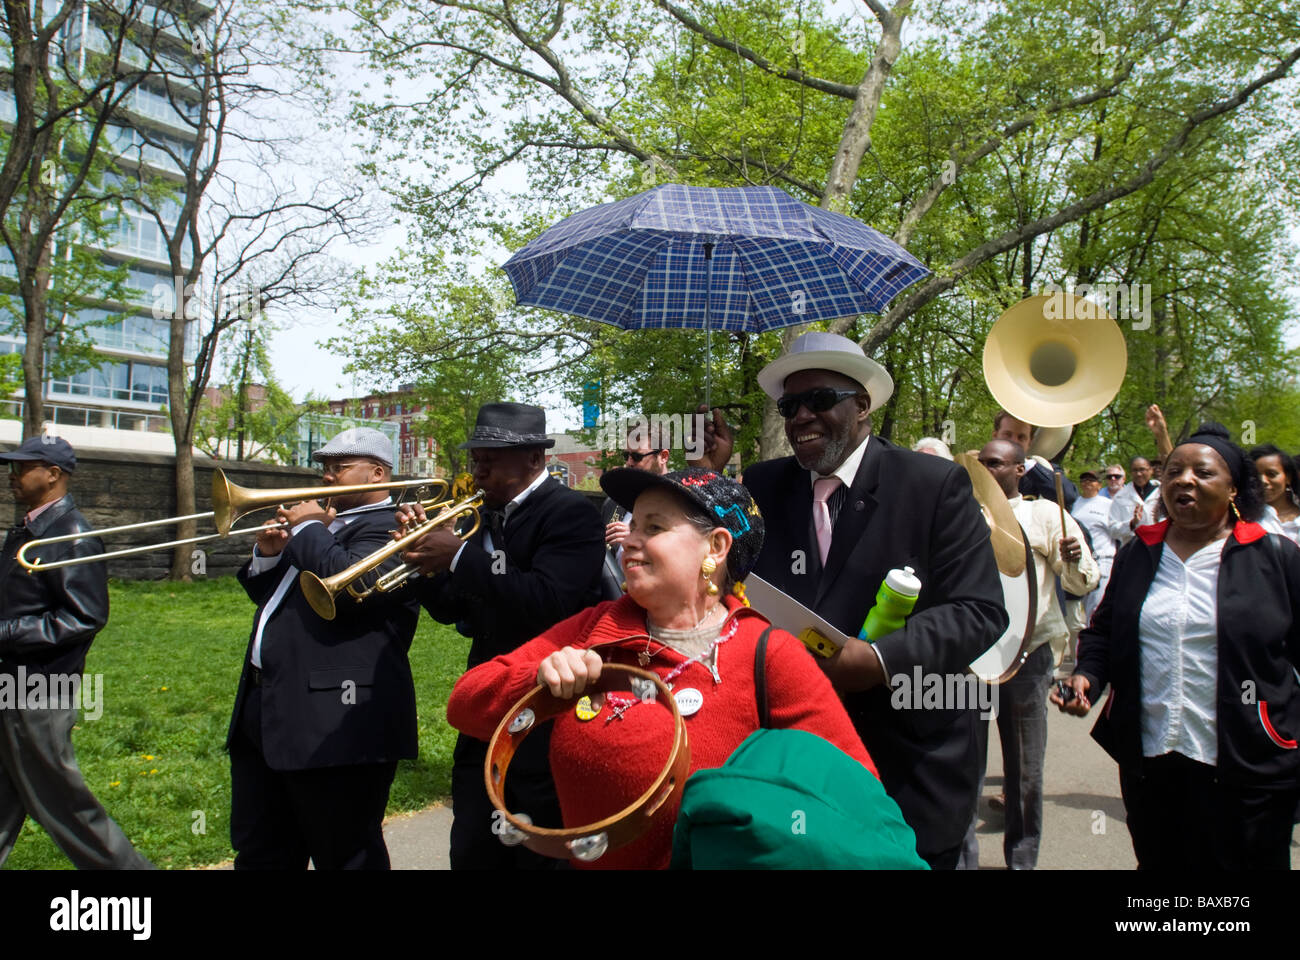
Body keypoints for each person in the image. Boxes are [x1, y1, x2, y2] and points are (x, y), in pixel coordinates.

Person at [445, 467, 879, 869]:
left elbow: (856, 793)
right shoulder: (595, 628)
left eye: (653, 527)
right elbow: (465, 704)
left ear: (716, 547)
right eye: (632, 526)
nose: (630, 540)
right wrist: (541, 676)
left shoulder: (768, 654)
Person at [689, 331, 1007, 869]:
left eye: (819, 401)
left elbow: (979, 610)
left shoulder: (934, 484)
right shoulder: (763, 485)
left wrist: (881, 660)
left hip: (910, 762)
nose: (800, 418)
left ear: (862, 406)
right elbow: (717, 574)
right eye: (790, 406)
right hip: (800, 763)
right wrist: (710, 474)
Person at [1053, 423, 1300, 869]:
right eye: (1173, 472)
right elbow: (1104, 632)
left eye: (1202, 473)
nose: (1184, 480)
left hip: (1251, 763)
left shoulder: (1274, 558)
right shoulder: (1138, 554)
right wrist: (1086, 675)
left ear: (1233, 489)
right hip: (1153, 760)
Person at [399, 402, 606, 869]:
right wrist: (422, 565)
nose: (479, 469)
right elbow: (456, 608)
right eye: (476, 457)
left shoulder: (570, 513)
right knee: (472, 848)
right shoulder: (479, 515)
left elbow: (550, 601)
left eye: (490, 456)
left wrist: (456, 557)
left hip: (547, 710)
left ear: (534, 459)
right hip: (487, 708)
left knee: (535, 852)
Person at [227, 427, 421, 870]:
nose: (327, 477)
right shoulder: (322, 529)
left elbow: (354, 590)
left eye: (339, 468)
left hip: (339, 720)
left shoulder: (400, 528)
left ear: (376, 474)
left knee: (346, 854)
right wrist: (270, 555)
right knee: (262, 850)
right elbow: (281, 602)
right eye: (325, 468)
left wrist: (311, 528)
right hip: (266, 708)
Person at [0, 436, 151, 869]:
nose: (12, 474)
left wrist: (6, 632)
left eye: (23, 466)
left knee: (64, 804)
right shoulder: (29, 529)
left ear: (54, 474)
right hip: (14, 681)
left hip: (38, 689)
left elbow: (83, 618)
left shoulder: (72, 536)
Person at [960, 440, 1097, 870]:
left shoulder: (1045, 516)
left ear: (1020, 470)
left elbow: (1080, 585)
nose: (985, 468)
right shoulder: (960, 512)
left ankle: (1021, 860)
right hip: (969, 659)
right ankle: (961, 859)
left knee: (1025, 771)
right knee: (963, 767)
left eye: (995, 463)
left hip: (1029, 654)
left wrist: (1072, 561)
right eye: (981, 462)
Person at [599, 422, 671, 598]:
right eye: (627, 455)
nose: (629, 463)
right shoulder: (613, 503)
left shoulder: (682, 502)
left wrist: (638, 537)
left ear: (663, 456)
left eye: (637, 457)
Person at [991, 411, 1079, 508]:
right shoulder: (979, 465)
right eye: (1007, 435)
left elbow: (1069, 496)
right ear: (995, 436)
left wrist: (1028, 465)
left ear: (1030, 442)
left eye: (1021, 437)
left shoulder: (1042, 467)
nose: (1014, 441)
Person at [1071, 469, 1116, 621]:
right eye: (1084, 480)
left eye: (1091, 480)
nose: (1087, 483)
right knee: (1078, 610)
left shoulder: (1109, 505)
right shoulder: (1075, 504)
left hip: (1103, 559)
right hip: (1080, 559)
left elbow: (1118, 532)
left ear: (1099, 485)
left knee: (1097, 607)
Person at [1107, 455, 1160, 548]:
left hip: (1158, 547)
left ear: (1151, 470)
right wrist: (1132, 524)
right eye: (1135, 470)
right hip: (1131, 549)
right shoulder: (1120, 497)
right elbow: (1112, 530)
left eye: (1142, 469)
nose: (1139, 474)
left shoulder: (1161, 493)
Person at [1251, 443, 1300, 543]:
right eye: (1256, 476)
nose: (1263, 481)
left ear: (1288, 478)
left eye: (1271, 474)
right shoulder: (1246, 518)